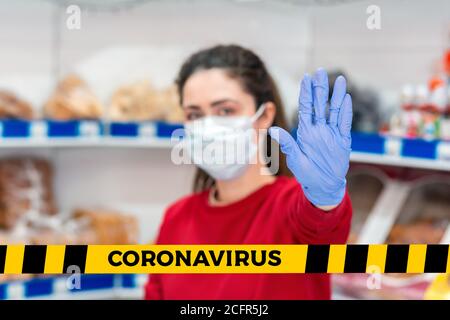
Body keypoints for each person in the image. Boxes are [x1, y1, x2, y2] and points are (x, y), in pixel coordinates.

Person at [145, 44, 353, 300]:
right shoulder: (176, 218)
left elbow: (323, 227)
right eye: (194, 114)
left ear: (264, 115)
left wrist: (326, 199)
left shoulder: (293, 208)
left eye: (225, 111)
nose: (209, 126)